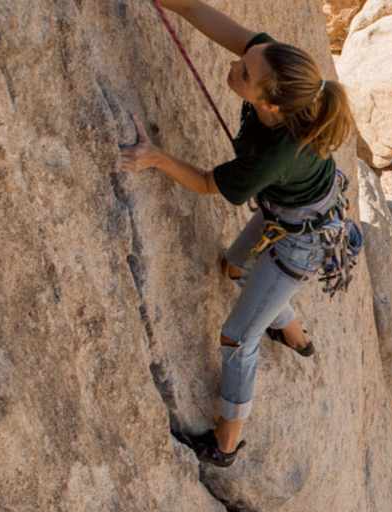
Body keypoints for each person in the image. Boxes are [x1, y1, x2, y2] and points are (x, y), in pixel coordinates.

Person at [117, 0, 356, 467]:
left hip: (302, 241)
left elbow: (208, 184)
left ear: (269, 104)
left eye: (244, 74)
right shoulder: (276, 69)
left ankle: (225, 445)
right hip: (291, 212)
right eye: (245, 61)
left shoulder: (274, 156)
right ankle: (294, 334)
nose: (235, 67)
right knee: (233, 267)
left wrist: (156, 158)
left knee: (236, 339)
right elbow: (205, 16)